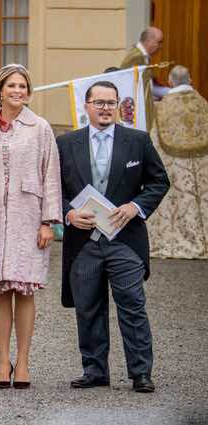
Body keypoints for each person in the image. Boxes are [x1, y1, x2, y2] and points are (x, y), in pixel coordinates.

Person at [57, 80, 169, 393]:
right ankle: (94, 371)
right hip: (83, 242)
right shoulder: (67, 144)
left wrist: (136, 206)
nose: (106, 108)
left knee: (132, 304)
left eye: (111, 103)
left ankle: (141, 373)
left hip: (125, 240)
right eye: (99, 103)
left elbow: (159, 182)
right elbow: (54, 189)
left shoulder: (138, 140)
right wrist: (69, 213)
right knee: (88, 306)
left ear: (117, 106)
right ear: (86, 106)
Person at [0, 64, 62, 389]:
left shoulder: (40, 128)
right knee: (2, 292)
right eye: (12, 86)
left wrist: (49, 221)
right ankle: (3, 362)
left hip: (30, 219)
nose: (17, 91)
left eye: (23, 86)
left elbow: (51, 175)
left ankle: (25, 364)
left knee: (25, 290)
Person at [148, 65, 208, 259]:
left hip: (173, 169)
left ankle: (172, 237)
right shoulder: (203, 104)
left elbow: (155, 142)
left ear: (170, 81)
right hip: (201, 168)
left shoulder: (162, 107)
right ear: (190, 80)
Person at [120, 27, 166, 131]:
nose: (160, 46)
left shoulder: (143, 56)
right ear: (149, 41)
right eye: (158, 42)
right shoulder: (136, 57)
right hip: (138, 110)